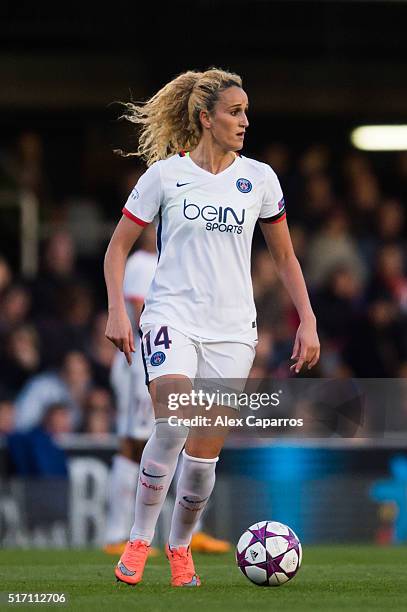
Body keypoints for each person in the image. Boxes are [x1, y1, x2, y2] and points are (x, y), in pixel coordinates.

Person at [104, 68, 320, 587]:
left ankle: (180, 549)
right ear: (205, 118)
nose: (245, 121)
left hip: (231, 331)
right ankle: (137, 541)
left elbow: (285, 257)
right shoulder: (163, 177)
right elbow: (116, 249)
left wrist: (308, 319)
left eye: (246, 111)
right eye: (234, 111)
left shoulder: (260, 179)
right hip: (170, 317)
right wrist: (117, 309)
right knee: (172, 424)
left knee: (203, 456)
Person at [104, 224, 231, 555]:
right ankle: (118, 533)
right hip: (141, 358)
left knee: (183, 436)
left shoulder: (186, 263)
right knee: (136, 441)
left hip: (177, 359)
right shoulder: (142, 263)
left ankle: (192, 531)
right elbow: (142, 314)